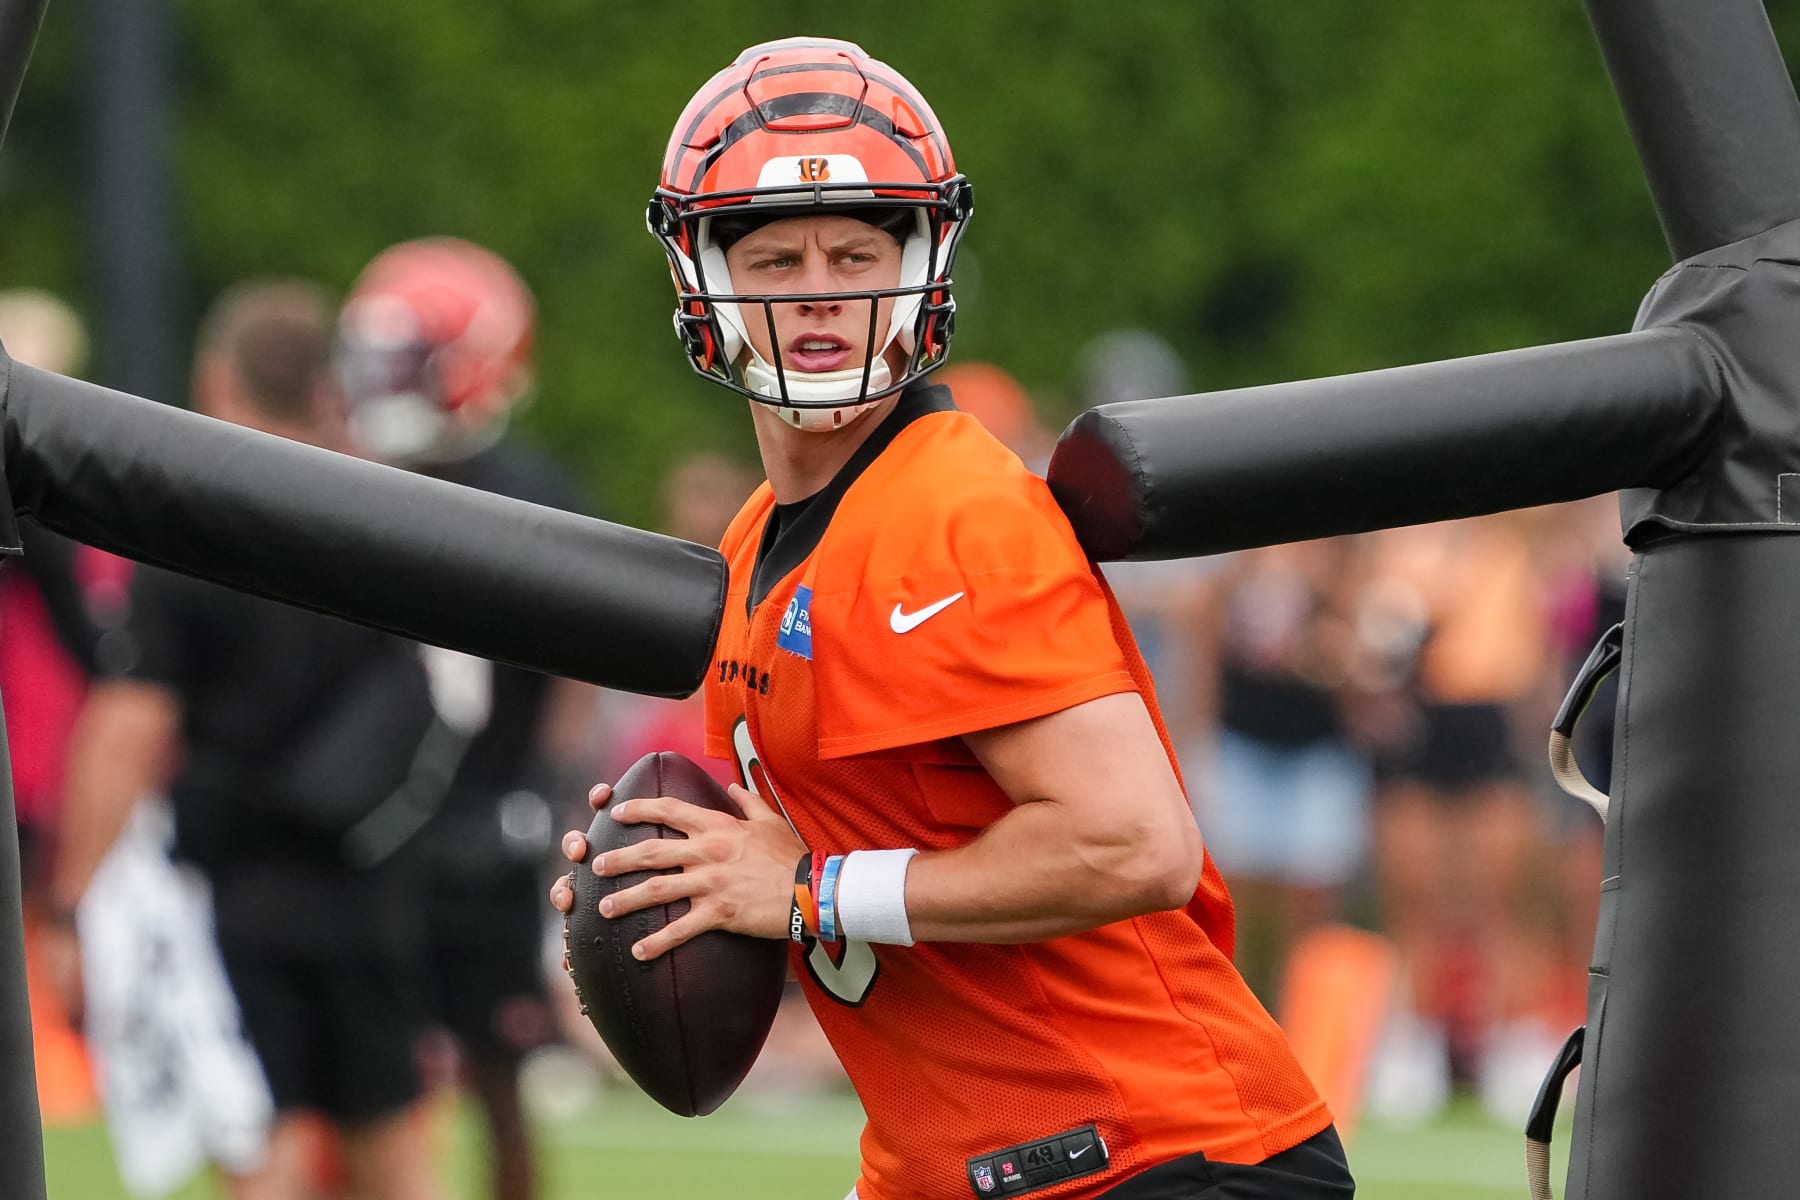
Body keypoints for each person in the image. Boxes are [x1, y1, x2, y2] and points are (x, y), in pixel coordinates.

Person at [551, 38, 1352, 1200]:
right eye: (775, 258)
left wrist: (806, 891)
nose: (819, 289)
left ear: (922, 261)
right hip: (970, 1161)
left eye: (856, 251)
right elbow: (841, 865)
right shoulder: (753, 544)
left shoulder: (956, 510)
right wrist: (680, 879)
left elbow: (1134, 843)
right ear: (706, 287)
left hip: (1149, 1153)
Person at [47, 280, 446, 1200]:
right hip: (369, 881)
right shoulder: (384, 513)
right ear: (326, 383)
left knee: (259, 1154)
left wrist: (73, 907)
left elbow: (128, 731)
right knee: (393, 1156)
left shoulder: (191, 531)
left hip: (237, 894)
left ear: (218, 376)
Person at [336, 238, 597, 1200]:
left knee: (498, 1072)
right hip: (374, 816)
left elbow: (581, 659)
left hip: (486, 813)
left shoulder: (531, 496)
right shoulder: (353, 477)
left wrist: (545, 785)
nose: (382, 382)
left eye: (408, 359)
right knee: (370, 1070)